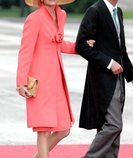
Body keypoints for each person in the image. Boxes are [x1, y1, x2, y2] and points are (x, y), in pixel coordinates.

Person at [76, 0, 133, 157]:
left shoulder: (118, 12)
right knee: (114, 125)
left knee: (108, 126)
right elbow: (82, 46)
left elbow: (121, 51)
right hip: (101, 78)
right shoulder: (95, 11)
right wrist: (109, 63)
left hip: (118, 78)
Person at [16, 0, 84, 157]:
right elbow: (25, 51)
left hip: (57, 80)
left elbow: (57, 45)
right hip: (39, 81)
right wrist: (21, 82)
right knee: (43, 129)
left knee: (64, 129)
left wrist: (82, 47)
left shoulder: (61, 14)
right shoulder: (34, 18)